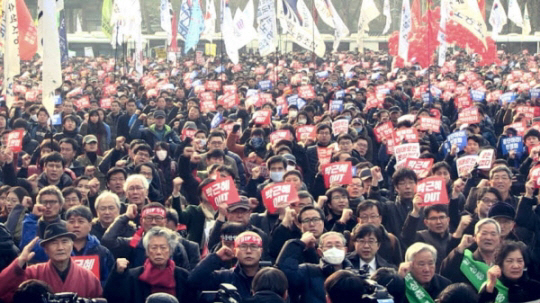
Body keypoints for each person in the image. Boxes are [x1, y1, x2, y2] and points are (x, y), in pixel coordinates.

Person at [0, 224, 102, 303]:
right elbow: (3, 291)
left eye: (65, 241)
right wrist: (19, 262)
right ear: (45, 249)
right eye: (54, 243)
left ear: (72, 245)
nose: (60, 247)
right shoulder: (32, 274)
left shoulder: (88, 277)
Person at [103, 227, 194, 303]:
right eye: (154, 247)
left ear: (170, 251)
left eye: (163, 247)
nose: (158, 252)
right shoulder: (133, 276)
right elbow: (112, 298)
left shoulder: (183, 276)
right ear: (146, 251)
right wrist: (117, 274)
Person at [102, 203, 192, 270]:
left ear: (165, 222)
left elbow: (184, 274)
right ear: (141, 221)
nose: (153, 222)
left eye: (158, 218)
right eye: (149, 218)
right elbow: (107, 240)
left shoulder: (176, 246)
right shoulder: (133, 244)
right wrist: (126, 217)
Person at [276, 231, 353, 303]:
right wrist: (299, 243)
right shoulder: (308, 271)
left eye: (338, 245)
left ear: (345, 250)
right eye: (329, 246)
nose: (334, 249)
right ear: (319, 252)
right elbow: (286, 272)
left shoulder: (353, 274)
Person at [188, 231, 264, 300]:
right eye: (243, 246)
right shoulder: (225, 277)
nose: (248, 251)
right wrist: (216, 257)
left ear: (261, 251)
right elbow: (194, 280)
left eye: (254, 246)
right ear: (235, 251)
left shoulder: (271, 277)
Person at [440, 218, 502, 286]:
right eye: (484, 233)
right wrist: (460, 247)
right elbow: (445, 272)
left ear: (499, 238)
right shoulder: (467, 260)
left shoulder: (503, 261)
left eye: (493, 234)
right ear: (475, 237)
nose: (488, 237)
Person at [65, 205, 115, 285]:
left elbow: (109, 281)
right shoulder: (60, 250)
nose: (76, 225)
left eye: (81, 221)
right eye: (71, 222)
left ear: (90, 226)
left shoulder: (103, 252)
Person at [19, 186, 66, 262]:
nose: (48, 206)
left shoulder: (67, 226)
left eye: (52, 202)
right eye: (44, 202)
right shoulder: (31, 225)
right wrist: (33, 217)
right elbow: (27, 247)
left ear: (60, 204)